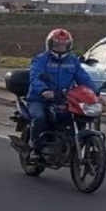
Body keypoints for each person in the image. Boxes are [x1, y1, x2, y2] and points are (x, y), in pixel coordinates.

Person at [27, 28, 96, 161]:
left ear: (68, 45)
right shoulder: (41, 60)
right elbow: (35, 77)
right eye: (57, 45)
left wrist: (96, 93)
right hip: (39, 99)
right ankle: (34, 148)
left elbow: (84, 78)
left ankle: (71, 144)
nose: (60, 48)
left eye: (63, 45)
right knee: (40, 117)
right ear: (50, 45)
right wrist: (44, 91)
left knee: (78, 116)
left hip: (64, 99)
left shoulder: (72, 61)